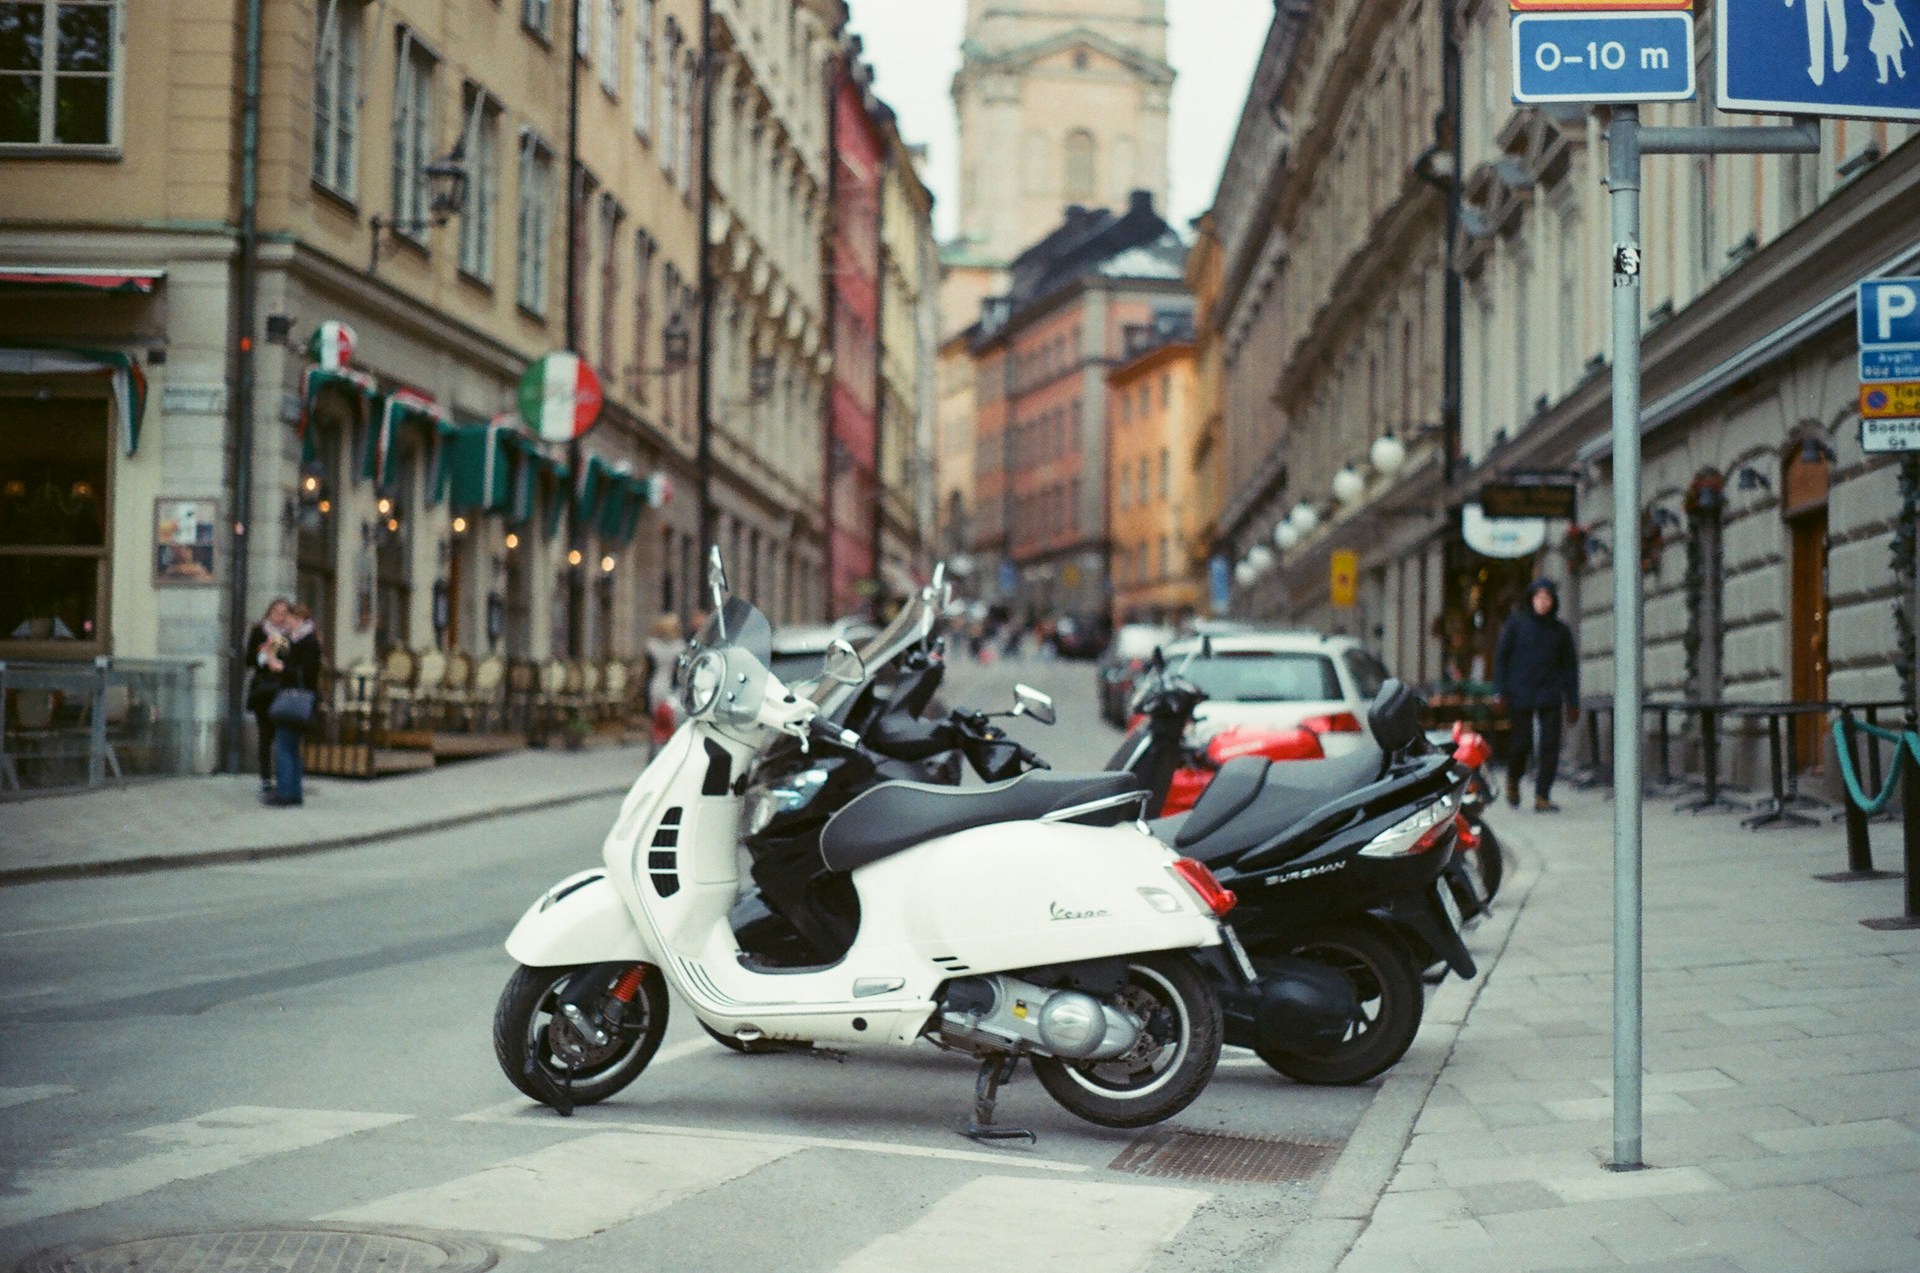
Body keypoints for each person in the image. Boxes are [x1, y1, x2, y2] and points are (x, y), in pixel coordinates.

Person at [1493, 579, 1580, 813]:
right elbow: (1501, 660)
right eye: (1539, 598)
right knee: (1520, 744)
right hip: (1520, 691)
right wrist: (1499, 691)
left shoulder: (1560, 631)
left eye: (1548, 598)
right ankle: (1513, 779)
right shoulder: (1516, 626)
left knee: (1550, 745)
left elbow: (1570, 666)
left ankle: (1543, 794)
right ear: (1531, 600)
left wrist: (1573, 700)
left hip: (1550, 693)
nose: (1543, 603)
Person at [266, 604, 321, 807]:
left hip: (294, 699)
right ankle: (294, 792)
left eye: (288, 619)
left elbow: (299, 672)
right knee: (291, 747)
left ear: (298, 619)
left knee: (284, 746)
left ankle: (285, 793)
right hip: (303, 699)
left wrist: (277, 664)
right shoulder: (306, 639)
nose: (286, 623)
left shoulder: (304, 641)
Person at [245, 598, 293, 793]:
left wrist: (282, 663)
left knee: (283, 734)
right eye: (276, 612)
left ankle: (283, 775)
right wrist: (264, 656)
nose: (279, 616)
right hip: (264, 688)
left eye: (284, 613)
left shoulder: (292, 635)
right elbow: (248, 660)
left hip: (284, 688)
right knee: (265, 734)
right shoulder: (259, 630)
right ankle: (265, 777)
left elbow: (296, 662)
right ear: (269, 612)